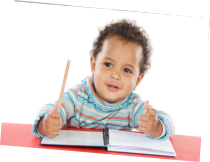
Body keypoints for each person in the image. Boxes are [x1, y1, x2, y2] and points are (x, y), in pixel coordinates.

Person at [32, 19, 175, 140]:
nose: (115, 75)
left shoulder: (134, 107)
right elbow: (48, 110)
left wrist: (155, 127)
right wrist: (45, 124)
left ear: (137, 80)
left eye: (126, 70)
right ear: (94, 65)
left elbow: (168, 122)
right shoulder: (76, 97)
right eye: (108, 64)